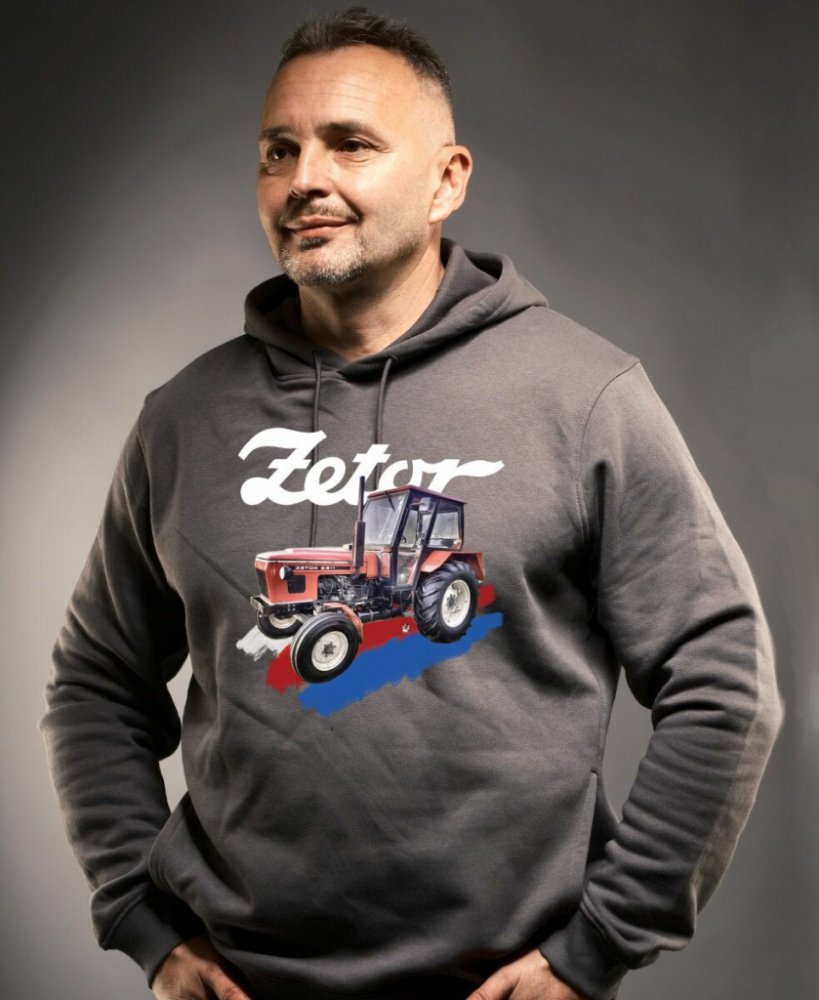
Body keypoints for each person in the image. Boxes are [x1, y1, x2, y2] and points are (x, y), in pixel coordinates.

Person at [41, 7, 783, 1000]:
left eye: (350, 143)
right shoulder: (182, 419)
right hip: (244, 981)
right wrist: (144, 923)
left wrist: (598, 944)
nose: (304, 178)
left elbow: (724, 679)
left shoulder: (582, 397)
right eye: (278, 150)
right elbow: (95, 681)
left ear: (446, 180)